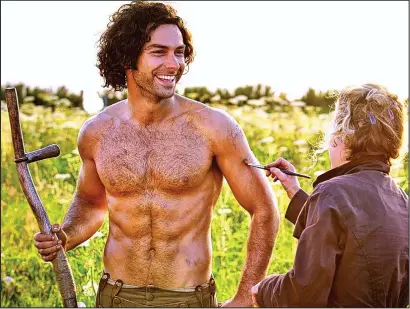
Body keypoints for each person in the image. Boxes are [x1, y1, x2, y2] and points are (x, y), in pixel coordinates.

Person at [33, 1, 280, 308]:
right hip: (116, 296)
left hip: (188, 299)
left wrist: (246, 295)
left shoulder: (214, 128)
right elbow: (90, 204)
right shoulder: (97, 132)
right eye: (159, 51)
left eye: (179, 52)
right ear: (128, 57)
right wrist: (65, 236)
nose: (174, 63)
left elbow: (264, 208)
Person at [251, 83, 409, 307]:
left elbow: (304, 294)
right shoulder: (401, 200)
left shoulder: (331, 193)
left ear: (343, 136)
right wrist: (294, 191)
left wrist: (264, 289)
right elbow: (354, 234)